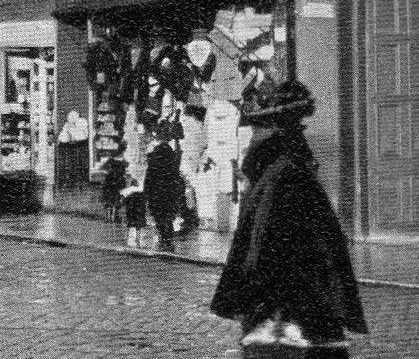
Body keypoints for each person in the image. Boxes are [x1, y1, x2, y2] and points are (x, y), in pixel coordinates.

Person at [211, 80, 366, 350]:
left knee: (278, 262)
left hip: (281, 213)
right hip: (289, 212)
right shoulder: (290, 148)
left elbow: (253, 171)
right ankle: (283, 320)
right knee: (293, 263)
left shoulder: (279, 152)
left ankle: (283, 321)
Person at [144, 128, 183, 252]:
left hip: (156, 193)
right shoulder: (172, 161)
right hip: (169, 192)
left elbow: (148, 177)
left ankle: (163, 236)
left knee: (159, 216)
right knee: (168, 216)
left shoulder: (153, 161)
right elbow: (176, 177)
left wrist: (146, 193)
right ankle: (168, 237)